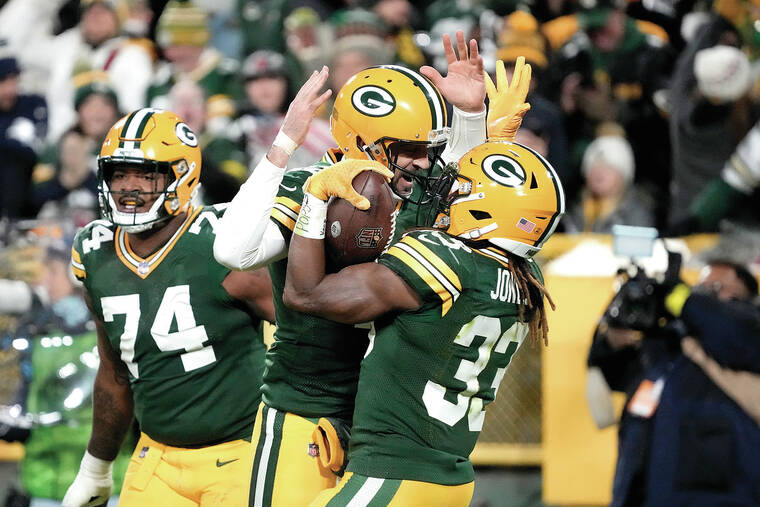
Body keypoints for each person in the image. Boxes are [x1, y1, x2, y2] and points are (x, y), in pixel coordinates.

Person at [214, 31, 491, 506]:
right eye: (412, 149)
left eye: (432, 148)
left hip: (380, 428)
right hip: (306, 409)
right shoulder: (312, 186)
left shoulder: (421, 191)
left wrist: (470, 115)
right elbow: (233, 252)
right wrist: (285, 148)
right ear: (366, 140)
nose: (426, 163)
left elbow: (473, 195)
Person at [58, 93, 335, 503]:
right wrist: (95, 467)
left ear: (181, 177)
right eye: (118, 174)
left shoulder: (222, 244)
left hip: (240, 451)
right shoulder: (96, 252)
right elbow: (115, 374)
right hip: (155, 454)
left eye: (145, 175)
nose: (128, 187)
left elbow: (314, 336)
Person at [282, 136, 564, 506]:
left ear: (485, 209)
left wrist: (315, 199)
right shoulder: (527, 280)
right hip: (449, 480)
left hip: (396, 473)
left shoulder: (445, 260)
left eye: (460, 191)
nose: (448, 197)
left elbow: (304, 294)